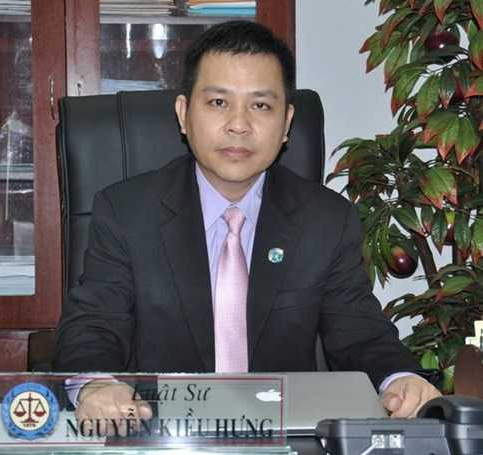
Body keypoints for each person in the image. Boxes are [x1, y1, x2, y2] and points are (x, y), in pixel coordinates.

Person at [53, 20, 440, 434]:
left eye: (260, 106)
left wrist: (401, 379)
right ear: (184, 114)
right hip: (162, 435)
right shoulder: (127, 212)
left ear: (287, 123)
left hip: (284, 436)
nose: (238, 124)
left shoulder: (326, 219)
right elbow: (94, 323)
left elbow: (359, 331)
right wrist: (96, 385)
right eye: (218, 102)